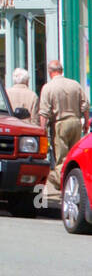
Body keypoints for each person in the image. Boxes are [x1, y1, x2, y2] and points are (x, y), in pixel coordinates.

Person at [38, 59, 89, 203]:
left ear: (50, 71)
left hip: (60, 124)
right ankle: (74, 186)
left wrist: (42, 130)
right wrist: (85, 124)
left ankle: (65, 190)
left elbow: (44, 112)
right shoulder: (75, 84)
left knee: (61, 159)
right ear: (61, 70)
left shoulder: (48, 87)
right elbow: (85, 105)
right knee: (74, 158)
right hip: (76, 122)